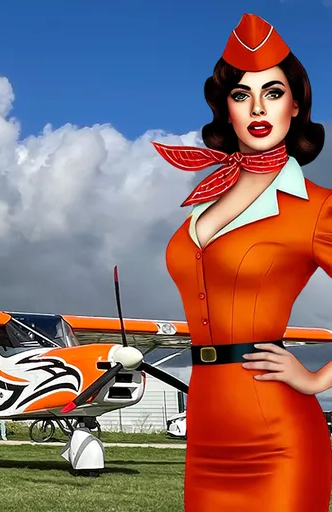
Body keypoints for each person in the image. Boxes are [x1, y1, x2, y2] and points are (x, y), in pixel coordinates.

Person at [153, 13, 332, 511]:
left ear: (296, 104)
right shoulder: (208, 202)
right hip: (206, 431)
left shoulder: (318, 207)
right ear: (224, 108)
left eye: (273, 92)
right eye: (241, 94)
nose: (257, 107)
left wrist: (317, 379)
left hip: (279, 436)